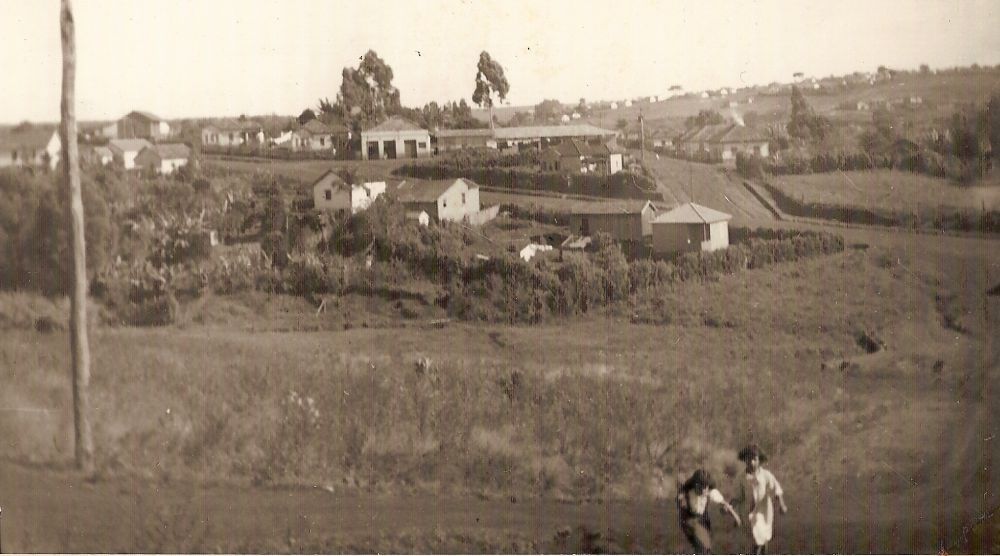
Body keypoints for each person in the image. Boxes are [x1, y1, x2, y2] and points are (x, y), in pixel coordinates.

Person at [733, 444, 788, 554]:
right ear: (745, 460)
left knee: (764, 539)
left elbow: (776, 489)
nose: (752, 463)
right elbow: (738, 497)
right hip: (749, 513)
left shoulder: (766, 475)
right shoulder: (741, 478)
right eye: (749, 459)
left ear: (759, 460)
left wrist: (782, 504)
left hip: (764, 512)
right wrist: (731, 508)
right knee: (756, 540)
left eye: (754, 459)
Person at [676, 468, 741, 554]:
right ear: (695, 485)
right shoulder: (687, 491)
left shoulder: (711, 492)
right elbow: (679, 501)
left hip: (702, 519)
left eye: (705, 487)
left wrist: (735, 516)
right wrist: (681, 503)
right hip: (689, 520)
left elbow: (724, 503)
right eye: (700, 487)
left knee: (704, 546)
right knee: (703, 545)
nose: (704, 490)